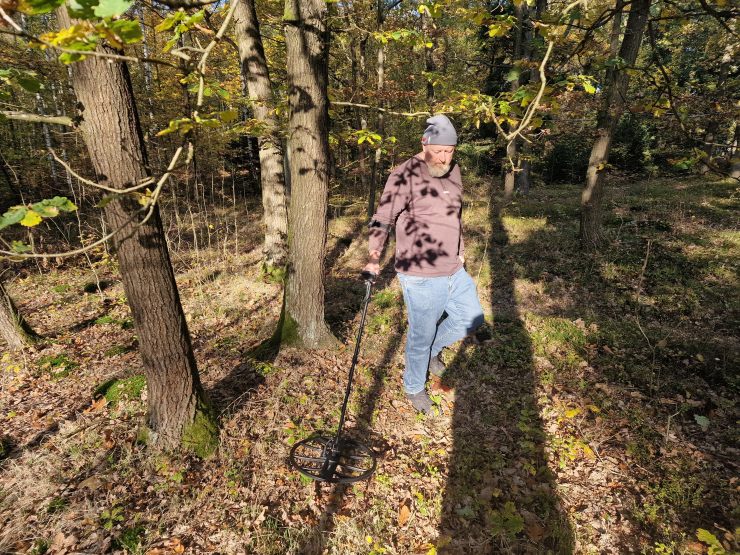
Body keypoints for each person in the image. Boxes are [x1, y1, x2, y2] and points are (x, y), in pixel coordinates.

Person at [363, 115, 484, 415]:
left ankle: (432, 351)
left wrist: (461, 250)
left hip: (453, 267)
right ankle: (414, 387)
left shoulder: (453, 171)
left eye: (450, 151)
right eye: (439, 151)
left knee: (471, 318)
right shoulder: (405, 174)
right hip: (420, 272)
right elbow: (383, 216)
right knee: (421, 333)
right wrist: (373, 257)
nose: (444, 157)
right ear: (425, 144)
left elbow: (454, 215)